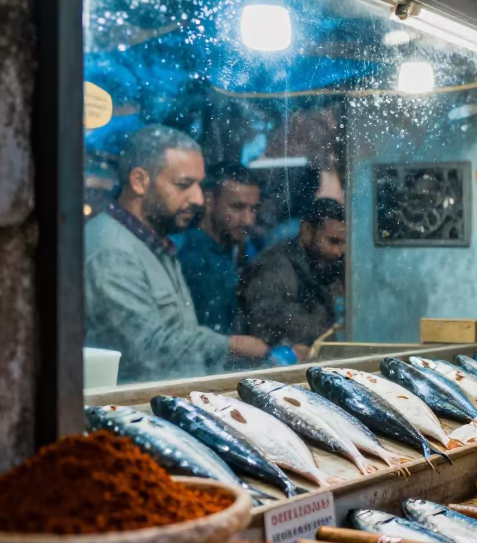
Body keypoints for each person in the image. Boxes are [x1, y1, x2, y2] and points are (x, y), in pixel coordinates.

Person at [84, 125, 269, 383]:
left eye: (199, 186)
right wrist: (231, 345)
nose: (197, 198)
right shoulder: (111, 251)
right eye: (184, 185)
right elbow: (145, 350)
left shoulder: (153, 242)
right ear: (139, 181)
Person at [240, 197, 346, 351]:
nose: (338, 252)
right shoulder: (275, 265)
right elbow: (266, 319)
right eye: (333, 242)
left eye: (344, 244)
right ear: (306, 231)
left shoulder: (325, 265)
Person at [176, 163, 261, 335]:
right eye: (238, 207)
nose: (248, 220)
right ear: (209, 201)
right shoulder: (192, 257)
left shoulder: (235, 250)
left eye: (254, 209)